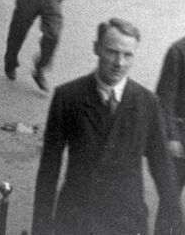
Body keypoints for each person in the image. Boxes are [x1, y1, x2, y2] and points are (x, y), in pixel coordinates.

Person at [32, 18, 184, 235]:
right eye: (112, 52)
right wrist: (42, 228)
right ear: (97, 49)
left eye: (128, 55)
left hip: (127, 222)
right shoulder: (68, 97)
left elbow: (163, 168)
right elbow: (49, 170)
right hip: (76, 220)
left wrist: (173, 225)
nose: (119, 63)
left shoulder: (146, 102)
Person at [156, 34, 185, 191]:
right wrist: (172, 136)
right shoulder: (178, 51)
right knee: (171, 202)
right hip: (181, 142)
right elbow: (164, 100)